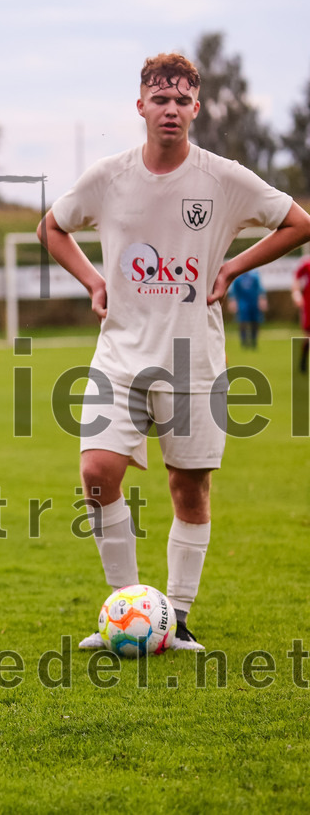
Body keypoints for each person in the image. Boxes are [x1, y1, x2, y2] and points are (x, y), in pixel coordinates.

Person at [36, 53, 310, 651]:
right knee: (96, 473)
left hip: (194, 361)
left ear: (197, 108)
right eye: (160, 99)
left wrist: (234, 265)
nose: (171, 109)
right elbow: (51, 227)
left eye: (183, 100)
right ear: (140, 106)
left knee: (189, 489)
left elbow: (297, 222)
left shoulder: (224, 178)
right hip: (121, 355)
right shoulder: (108, 177)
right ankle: (126, 608)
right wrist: (94, 282)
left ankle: (177, 619)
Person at [228, 268, 266, 349]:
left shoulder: (255, 275)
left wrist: (262, 300)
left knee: (255, 321)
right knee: (243, 321)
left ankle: (253, 341)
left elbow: (260, 289)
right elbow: (234, 291)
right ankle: (244, 342)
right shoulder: (238, 277)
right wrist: (233, 302)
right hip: (243, 302)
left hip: (254, 301)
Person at [293, 257, 310, 372]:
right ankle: (303, 361)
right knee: (308, 335)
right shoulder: (306, 264)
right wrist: (296, 294)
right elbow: (296, 281)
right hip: (308, 303)